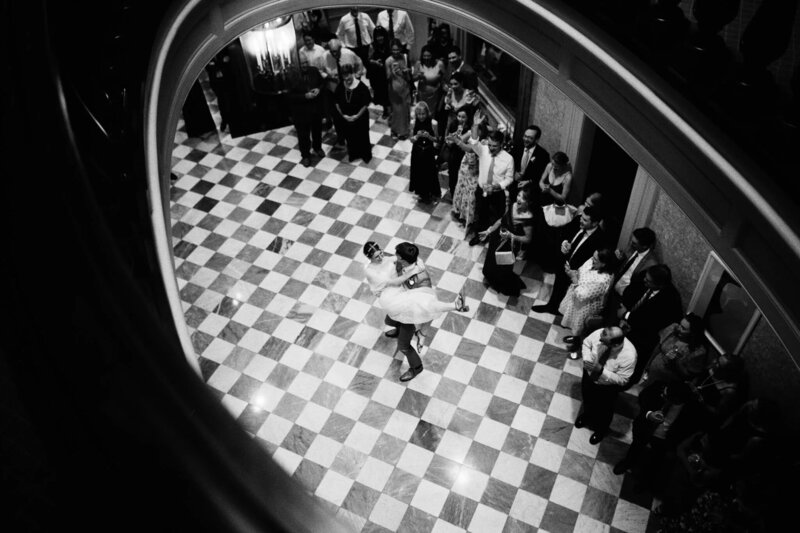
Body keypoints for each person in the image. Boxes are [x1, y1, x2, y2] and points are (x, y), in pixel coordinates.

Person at [369, 242, 469, 382]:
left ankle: (416, 367)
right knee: (389, 320)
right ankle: (397, 329)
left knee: (403, 346)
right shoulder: (403, 262)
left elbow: (429, 308)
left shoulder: (422, 278)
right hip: (398, 303)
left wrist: (422, 333)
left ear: (403, 259)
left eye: (397, 255)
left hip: (410, 315)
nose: (394, 256)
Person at [451, 108, 514, 246]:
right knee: (480, 214)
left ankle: (494, 240)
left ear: (501, 145)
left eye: (494, 146)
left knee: (497, 216)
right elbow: (473, 142)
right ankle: (479, 236)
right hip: (482, 190)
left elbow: (509, 178)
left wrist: (498, 186)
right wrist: (475, 125)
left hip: (497, 193)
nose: (491, 148)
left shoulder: (508, 159)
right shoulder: (483, 150)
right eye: (490, 145)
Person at [532, 204, 606, 315]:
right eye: (582, 217)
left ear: (595, 223)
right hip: (564, 262)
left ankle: (565, 313)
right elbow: (565, 232)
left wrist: (575, 273)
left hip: (578, 272)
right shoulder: (577, 220)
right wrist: (564, 242)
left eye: (585, 220)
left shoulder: (600, 239)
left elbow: (594, 260)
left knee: (571, 294)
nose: (581, 220)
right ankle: (552, 306)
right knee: (558, 285)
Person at [618, 264, 683, 382]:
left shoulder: (671, 300)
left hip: (642, 339)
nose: (644, 281)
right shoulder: (646, 276)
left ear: (660, 285)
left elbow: (652, 324)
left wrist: (626, 315)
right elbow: (630, 291)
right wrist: (623, 316)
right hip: (624, 326)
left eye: (649, 281)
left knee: (630, 366)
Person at [576, 326, 637, 444]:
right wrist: (588, 360)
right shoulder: (602, 333)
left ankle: (601, 430)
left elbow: (623, 380)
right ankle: (587, 416)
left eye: (604, 338)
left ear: (614, 344)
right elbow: (587, 343)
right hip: (589, 376)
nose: (600, 337)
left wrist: (601, 371)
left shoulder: (629, 356)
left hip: (606, 387)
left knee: (604, 409)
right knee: (587, 397)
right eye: (602, 333)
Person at [560, 248, 619, 354]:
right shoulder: (592, 262)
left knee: (580, 327)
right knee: (574, 324)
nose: (592, 260)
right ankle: (575, 338)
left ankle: (577, 346)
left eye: (595, 259)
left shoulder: (603, 280)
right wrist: (574, 273)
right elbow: (581, 270)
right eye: (593, 256)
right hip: (576, 301)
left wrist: (574, 278)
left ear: (604, 264)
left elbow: (583, 295)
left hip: (585, 307)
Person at [481, 188, 535, 297]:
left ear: (529, 202)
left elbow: (528, 239)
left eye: (523, 198)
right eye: (519, 195)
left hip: (509, 246)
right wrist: (488, 231)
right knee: (491, 262)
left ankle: (501, 284)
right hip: (497, 239)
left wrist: (511, 236)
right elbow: (501, 220)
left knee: (502, 268)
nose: (519, 199)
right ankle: (492, 279)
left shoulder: (527, 218)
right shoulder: (513, 205)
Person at [639, 313, 709, 389]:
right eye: (680, 324)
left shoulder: (698, 351)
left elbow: (688, 376)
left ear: (693, 333)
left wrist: (676, 363)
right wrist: (648, 365)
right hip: (651, 373)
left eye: (683, 328)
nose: (678, 328)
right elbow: (658, 347)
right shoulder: (673, 329)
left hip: (666, 384)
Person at [322, 39, 365, 146]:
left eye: (336, 51)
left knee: (350, 113)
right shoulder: (324, 57)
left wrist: (357, 75)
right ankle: (340, 137)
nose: (334, 54)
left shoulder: (349, 54)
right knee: (337, 116)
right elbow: (319, 70)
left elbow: (359, 62)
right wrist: (328, 76)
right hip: (334, 90)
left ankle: (353, 135)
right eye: (332, 51)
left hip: (348, 90)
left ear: (340, 48)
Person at [286, 57, 325, 167]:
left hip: (315, 109)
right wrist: (305, 96)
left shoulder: (314, 70)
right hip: (301, 112)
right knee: (303, 135)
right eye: (302, 63)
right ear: (297, 64)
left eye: (306, 62)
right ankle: (306, 155)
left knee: (317, 131)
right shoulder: (292, 75)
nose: (304, 65)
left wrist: (318, 89)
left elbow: (322, 83)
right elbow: (289, 96)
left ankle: (318, 148)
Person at [450, 120, 485, 231]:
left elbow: (470, 148)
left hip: (474, 170)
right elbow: (461, 140)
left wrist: (457, 142)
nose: (474, 131)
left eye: (476, 129)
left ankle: (469, 218)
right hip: (465, 168)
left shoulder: (483, 142)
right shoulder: (471, 133)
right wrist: (459, 137)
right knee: (462, 189)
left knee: (470, 194)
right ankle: (460, 212)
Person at [334, 63, 372, 164]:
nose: (346, 78)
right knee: (350, 137)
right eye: (344, 76)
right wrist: (343, 115)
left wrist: (357, 116)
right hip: (346, 118)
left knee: (362, 136)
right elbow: (336, 102)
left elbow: (366, 104)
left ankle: (365, 155)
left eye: (348, 75)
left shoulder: (361, 86)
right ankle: (353, 154)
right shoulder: (341, 86)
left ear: (352, 74)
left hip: (360, 117)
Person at [409, 102, 440, 203]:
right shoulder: (413, 123)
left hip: (428, 152)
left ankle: (430, 192)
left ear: (427, 113)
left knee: (429, 172)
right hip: (417, 151)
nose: (421, 116)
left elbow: (436, 140)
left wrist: (429, 137)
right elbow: (411, 139)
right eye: (419, 114)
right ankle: (421, 193)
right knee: (418, 172)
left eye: (423, 114)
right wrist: (417, 136)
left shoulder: (433, 123)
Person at [512, 125, 550, 203]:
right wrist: (514, 173)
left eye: (530, 138)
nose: (526, 139)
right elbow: (508, 163)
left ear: (536, 140)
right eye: (525, 136)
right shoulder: (517, 147)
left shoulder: (543, 155)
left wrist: (529, 182)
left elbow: (543, 176)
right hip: (513, 189)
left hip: (530, 194)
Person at [385, 39, 412, 140]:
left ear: (400, 48)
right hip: (394, 89)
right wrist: (392, 71)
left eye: (397, 49)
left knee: (405, 110)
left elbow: (408, 75)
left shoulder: (404, 57)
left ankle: (404, 131)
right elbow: (387, 77)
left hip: (404, 87)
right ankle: (394, 130)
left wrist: (406, 71)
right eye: (393, 50)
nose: (395, 52)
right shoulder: (388, 60)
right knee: (396, 111)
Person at [442, 71, 479, 142]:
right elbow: (447, 109)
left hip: (465, 127)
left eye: (455, 84)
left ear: (461, 83)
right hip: (451, 126)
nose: (453, 86)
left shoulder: (469, 95)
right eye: (451, 84)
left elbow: (475, 111)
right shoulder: (450, 93)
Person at [443, 108, 472, 200]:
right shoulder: (453, 124)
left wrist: (459, 138)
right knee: (452, 174)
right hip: (453, 153)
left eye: (463, 117)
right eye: (459, 116)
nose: (460, 119)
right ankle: (452, 193)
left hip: (463, 154)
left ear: (467, 118)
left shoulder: (469, 128)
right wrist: (449, 140)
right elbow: (448, 136)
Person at [413, 45, 446, 125]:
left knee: (431, 115)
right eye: (424, 56)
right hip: (422, 94)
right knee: (421, 113)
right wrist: (418, 76)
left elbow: (444, 79)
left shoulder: (439, 64)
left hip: (434, 95)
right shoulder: (418, 63)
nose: (426, 58)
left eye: (428, 56)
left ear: (433, 55)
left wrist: (444, 86)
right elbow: (413, 78)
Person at [368, 26, 391, 119]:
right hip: (379, 73)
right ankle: (385, 109)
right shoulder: (372, 46)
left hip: (389, 71)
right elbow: (368, 60)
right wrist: (375, 62)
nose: (379, 38)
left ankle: (393, 108)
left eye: (381, 36)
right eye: (377, 36)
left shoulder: (389, 44)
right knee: (382, 92)